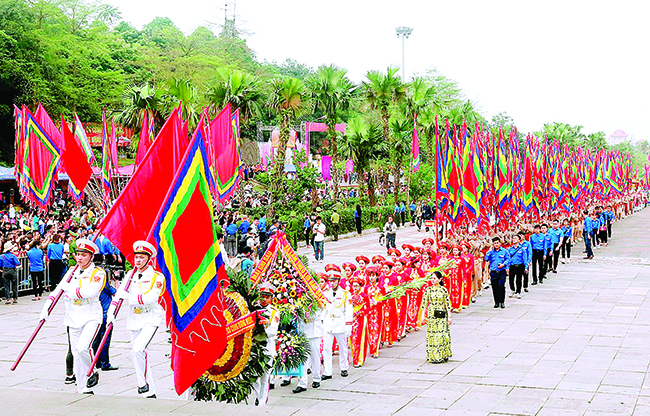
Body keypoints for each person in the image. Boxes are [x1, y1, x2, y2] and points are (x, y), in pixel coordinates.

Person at [39, 239, 105, 394]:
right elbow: (57, 291)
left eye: (84, 255)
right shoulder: (71, 272)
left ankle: (92, 370)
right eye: (78, 255)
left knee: (83, 348)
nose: (80, 258)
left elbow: (89, 292)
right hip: (73, 316)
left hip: (91, 316)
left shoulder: (98, 273)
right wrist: (45, 310)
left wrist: (69, 288)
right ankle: (82, 388)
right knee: (76, 353)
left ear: (91, 256)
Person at [109, 241, 163, 398]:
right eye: (136, 257)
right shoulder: (130, 276)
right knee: (138, 353)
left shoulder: (156, 277)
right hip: (134, 318)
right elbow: (118, 295)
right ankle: (150, 391)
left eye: (141, 257)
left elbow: (150, 299)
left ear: (149, 259)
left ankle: (142, 383)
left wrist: (128, 297)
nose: (138, 260)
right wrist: (112, 312)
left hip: (150, 317)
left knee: (138, 349)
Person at [321, 269, 352, 381]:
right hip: (329, 322)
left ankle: (344, 367)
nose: (332, 283)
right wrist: (322, 321)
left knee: (343, 348)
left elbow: (348, 310)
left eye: (334, 281)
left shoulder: (345, 294)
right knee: (326, 348)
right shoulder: (326, 293)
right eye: (331, 281)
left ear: (338, 281)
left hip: (340, 323)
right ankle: (327, 371)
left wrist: (348, 325)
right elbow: (324, 309)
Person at [253, 282, 280, 406]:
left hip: (267, 348)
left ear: (271, 298)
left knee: (265, 376)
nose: (264, 299)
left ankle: (262, 401)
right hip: (254, 347)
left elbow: (272, 331)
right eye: (262, 296)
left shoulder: (274, 312)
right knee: (253, 376)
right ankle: (258, 396)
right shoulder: (252, 308)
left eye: (267, 296)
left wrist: (262, 327)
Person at [421, 271, 452, 363]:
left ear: (440, 279)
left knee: (442, 334)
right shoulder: (428, 290)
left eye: (434, 278)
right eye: (432, 278)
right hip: (431, 314)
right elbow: (424, 304)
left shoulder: (443, 290)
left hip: (441, 313)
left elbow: (448, 303)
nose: (432, 280)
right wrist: (423, 315)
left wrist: (449, 316)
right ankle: (433, 356)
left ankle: (443, 354)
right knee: (432, 335)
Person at [484, 237, 510, 309]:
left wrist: (503, 264)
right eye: (494, 243)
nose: (496, 245)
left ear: (500, 243)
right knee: (494, 287)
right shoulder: (491, 252)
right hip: (493, 272)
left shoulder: (504, 251)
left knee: (501, 286)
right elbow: (486, 259)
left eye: (497, 243)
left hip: (501, 271)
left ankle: (502, 302)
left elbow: (508, 259)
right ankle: (496, 302)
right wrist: (489, 251)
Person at [508, 234, 527, 299]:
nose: (514, 240)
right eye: (513, 238)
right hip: (512, 265)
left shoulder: (522, 249)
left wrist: (526, 267)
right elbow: (508, 258)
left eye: (516, 238)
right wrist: (507, 267)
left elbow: (525, 259)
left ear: (519, 240)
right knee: (511, 279)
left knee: (519, 279)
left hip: (520, 265)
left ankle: (518, 292)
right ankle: (512, 289)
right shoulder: (510, 249)